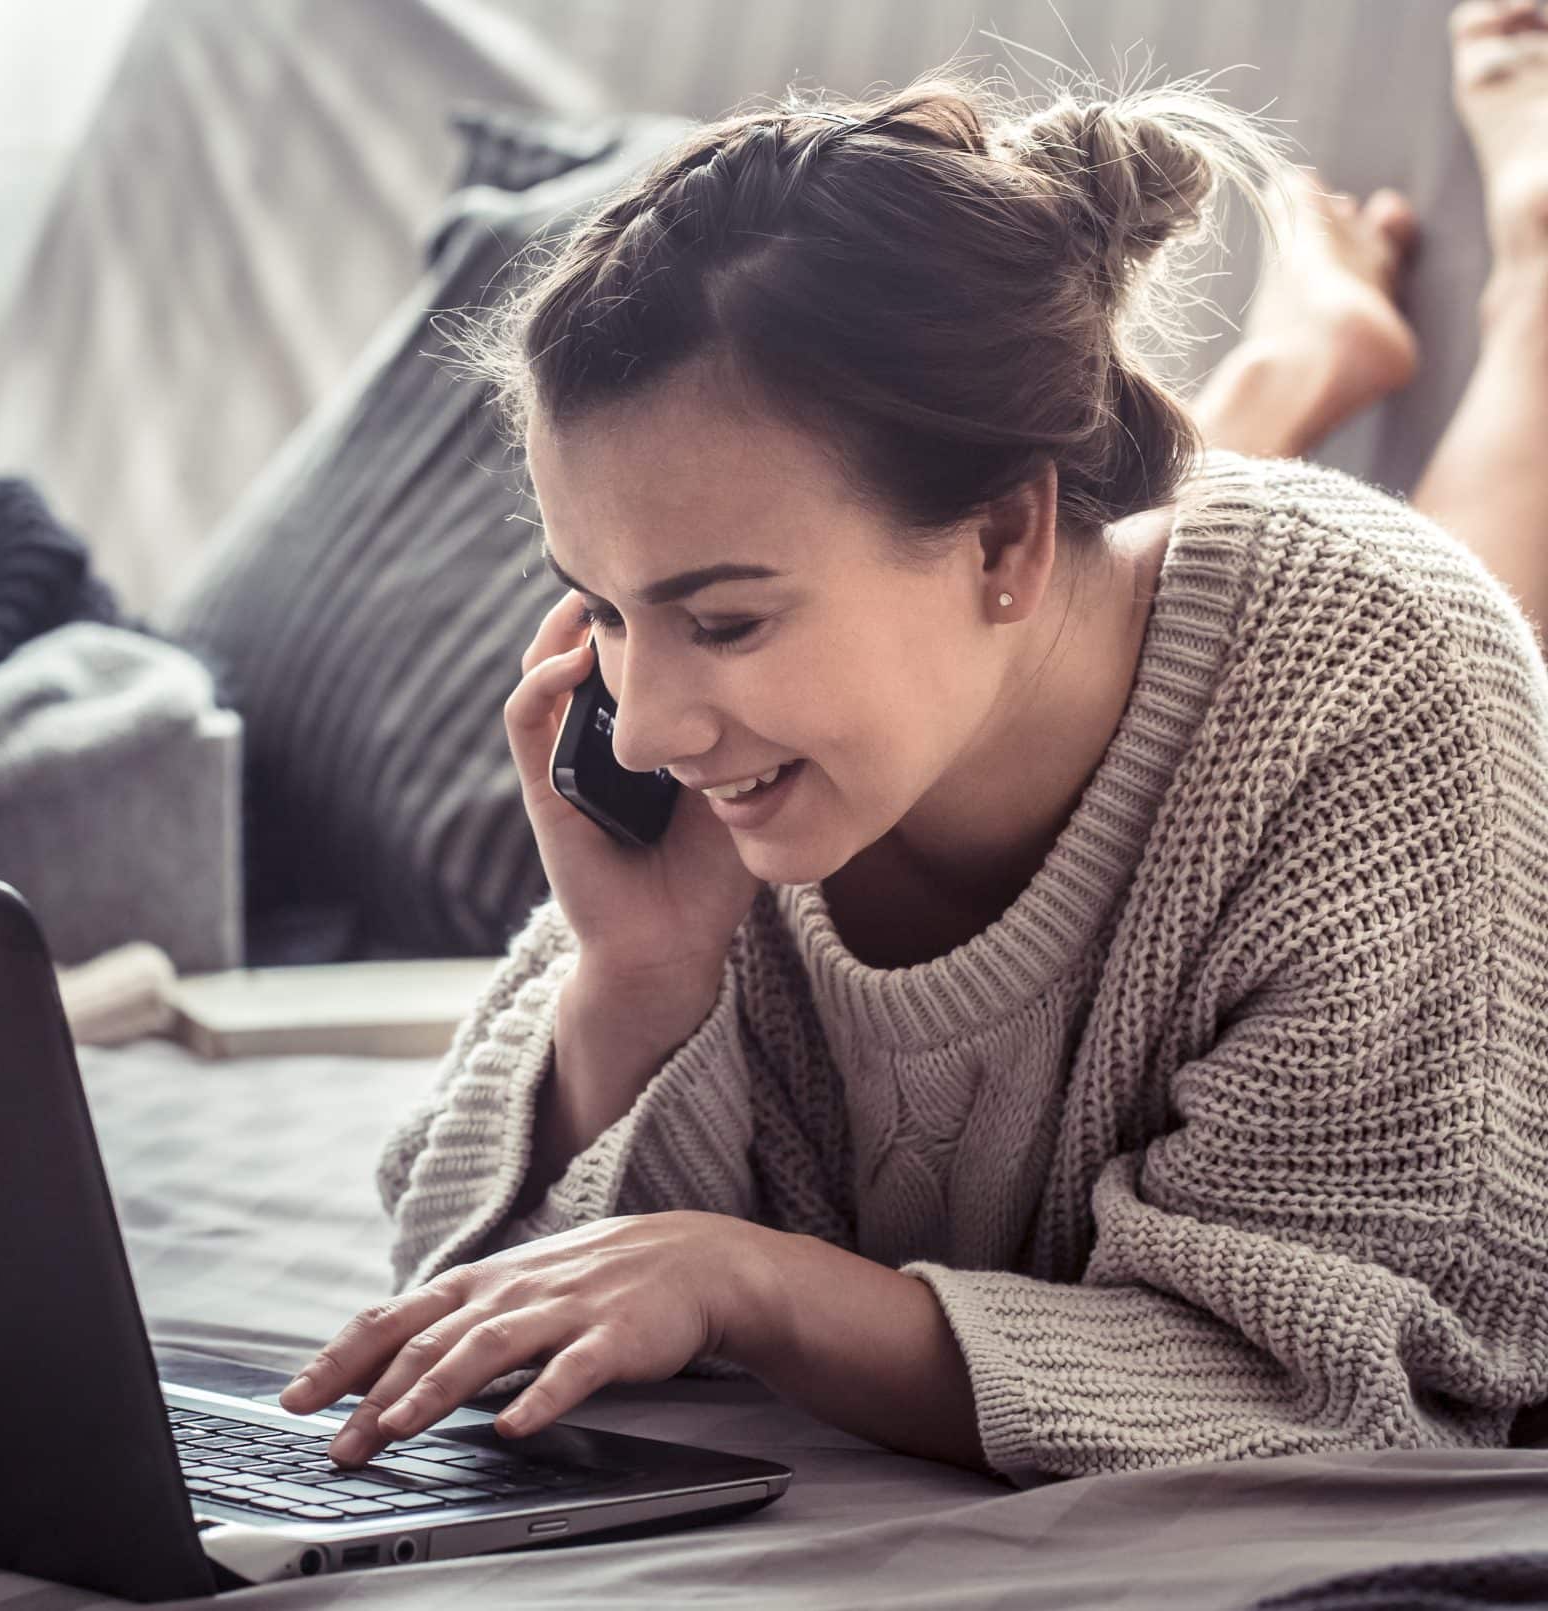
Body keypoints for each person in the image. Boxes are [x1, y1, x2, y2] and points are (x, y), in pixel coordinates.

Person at [278, 0, 1548, 1485]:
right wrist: (634, 982)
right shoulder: (740, 782)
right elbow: (468, 1285)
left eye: (728, 622)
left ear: (1011, 525)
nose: (655, 721)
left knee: (1463, 598)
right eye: (602, 612)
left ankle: (1531, 260)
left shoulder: (1379, 682)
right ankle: (1301, 365)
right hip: (1051, 593)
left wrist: (755, 1282)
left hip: (1355, 670)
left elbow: (1359, 1378)